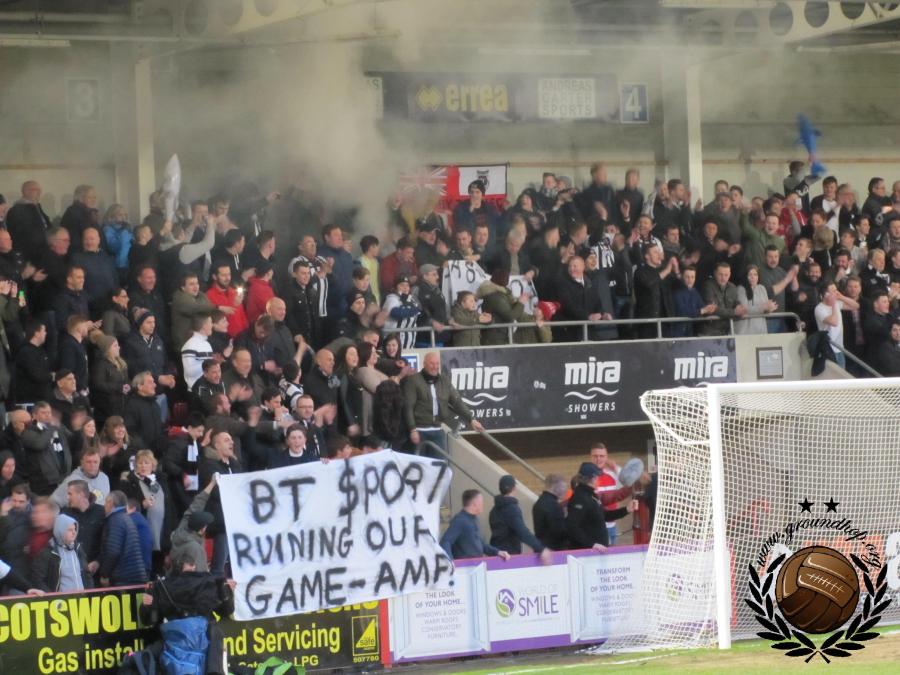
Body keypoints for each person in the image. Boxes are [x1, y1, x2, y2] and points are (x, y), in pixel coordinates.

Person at [138, 547, 234, 675]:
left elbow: (149, 620)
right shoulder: (209, 583)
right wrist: (227, 593)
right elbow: (227, 611)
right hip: (204, 643)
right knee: (216, 633)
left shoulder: (161, 586)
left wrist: (146, 606)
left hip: (174, 644)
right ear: (194, 565)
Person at [402, 351, 484, 454]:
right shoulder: (413, 380)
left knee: (441, 462)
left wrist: (471, 419)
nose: (435, 367)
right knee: (419, 463)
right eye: (431, 363)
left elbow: (457, 401)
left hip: (438, 430)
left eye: (437, 364)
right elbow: (408, 406)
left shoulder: (444, 381)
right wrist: (412, 429)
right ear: (424, 364)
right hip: (419, 431)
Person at [489, 474, 552, 560]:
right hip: (508, 556)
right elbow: (522, 532)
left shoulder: (494, 510)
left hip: (496, 553)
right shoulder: (512, 509)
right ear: (514, 488)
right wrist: (541, 548)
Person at [440, 489, 510, 561]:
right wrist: (451, 562)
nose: (483, 504)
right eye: (481, 502)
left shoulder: (474, 519)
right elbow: (445, 542)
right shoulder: (459, 520)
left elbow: (481, 544)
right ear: (475, 504)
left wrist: (497, 552)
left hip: (476, 565)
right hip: (465, 566)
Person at [21, 401, 73, 497]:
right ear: (34, 415)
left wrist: (77, 430)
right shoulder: (29, 432)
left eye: (49, 412)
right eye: (43, 413)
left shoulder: (59, 427)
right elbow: (39, 444)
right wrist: (52, 428)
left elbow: (73, 441)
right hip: (44, 483)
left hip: (64, 479)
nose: (48, 415)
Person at [98, 490, 148, 586]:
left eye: (105, 502)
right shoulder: (126, 518)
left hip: (123, 578)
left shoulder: (115, 520)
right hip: (135, 575)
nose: (104, 506)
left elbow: (113, 551)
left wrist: (104, 574)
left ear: (110, 502)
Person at [33, 512, 93, 592]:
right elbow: (38, 580)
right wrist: (52, 597)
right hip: (61, 599)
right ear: (60, 530)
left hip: (82, 598)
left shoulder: (78, 549)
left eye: (75, 529)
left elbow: (87, 574)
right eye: (70, 530)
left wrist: (90, 593)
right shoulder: (48, 553)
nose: (74, 532)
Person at [60, 478, 105, 571]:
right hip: (71, 569)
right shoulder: (64, 514)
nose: (67, 498)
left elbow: (107, 542)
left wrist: (98, 561)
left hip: (95, 569)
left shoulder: (101, 512)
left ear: (81, 494)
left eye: (70, 494)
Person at [815, 282, 859, 369]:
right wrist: (834, 304)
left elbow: (856, 306)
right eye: (833, 291)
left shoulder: (837, 303)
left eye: (836, 290)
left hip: (839, 347)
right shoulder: (819, 308)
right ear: (825, 294)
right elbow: (834, 322)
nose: (836, 293)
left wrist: (841, 297)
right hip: (829, 349)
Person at [566, 463, 609, 551]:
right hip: (587, 552)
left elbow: (603, 515)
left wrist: (626, 510)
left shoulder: (591, 495)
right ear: (593, 479)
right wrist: (591, 544)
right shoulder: (580, 497)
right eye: (598, 477)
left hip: (598, 550)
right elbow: (572, 525)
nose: (599, 480)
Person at [698, 262, 747, 336]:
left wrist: (739, 306)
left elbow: (735, 302)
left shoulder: (732, 287)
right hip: (709, 332)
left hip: (727, 331)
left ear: (730, 274)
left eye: (726, 275)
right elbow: (713, 309)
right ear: (715, 273)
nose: (723, 278)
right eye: (720, 274)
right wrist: (734, 312)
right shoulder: (707, 286)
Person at [532, 473, 569, 551]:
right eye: (563, 487)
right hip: (554, 550)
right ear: (554, 486)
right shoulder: (553, 505)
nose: (565, 490)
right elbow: (559, 531)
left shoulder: (539, 502)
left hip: (541, 547)